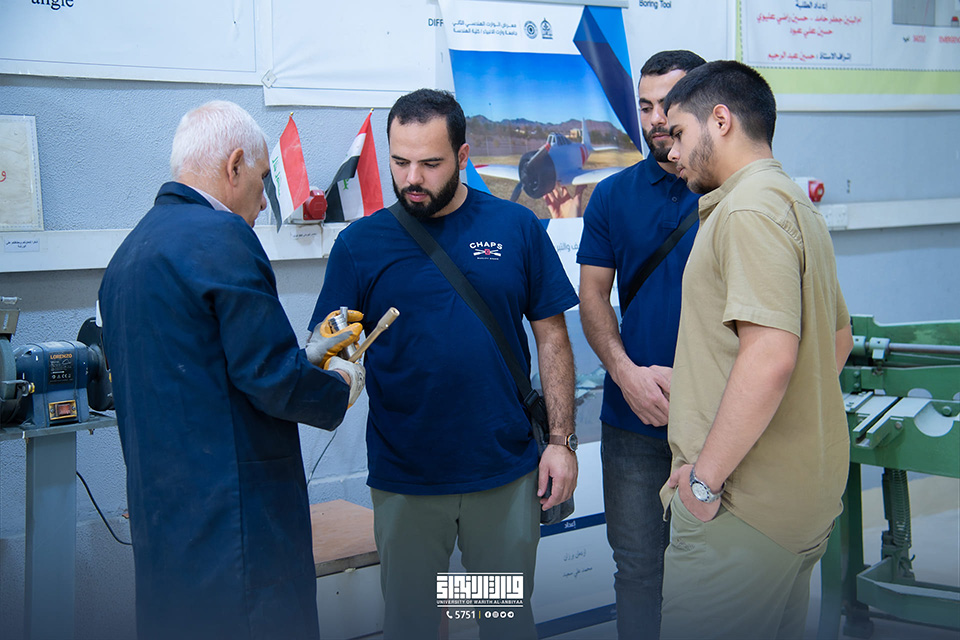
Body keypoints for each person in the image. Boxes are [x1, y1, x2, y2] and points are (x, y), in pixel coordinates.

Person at [310, 89, 579, 640]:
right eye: (399, 162)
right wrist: (329, 361)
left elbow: (552, 336)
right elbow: (327, 348)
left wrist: (561, 441)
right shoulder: (360, 245)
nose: (412, 178)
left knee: (499, 620)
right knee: (414, 622)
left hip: (501, 473)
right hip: (407, 478)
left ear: (462, 156)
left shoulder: (515, 227)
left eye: (430, 163)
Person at [99, 100, 365, 640]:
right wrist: (338, 381)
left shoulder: (127, 256)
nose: (264, 201)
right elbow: (271, 378)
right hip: (240, 539)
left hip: (167, 535)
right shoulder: (223, 238)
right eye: (263, 180)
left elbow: (208, 372)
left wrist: (305, 356)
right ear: (235, 165)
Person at [658, 61, 854, 639]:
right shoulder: (794, 204)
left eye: (679, 133)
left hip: (740, 513)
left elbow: (769, 358)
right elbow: (837, 340)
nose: (672, 152)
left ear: (720, 120)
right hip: (795, 507)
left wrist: (705, 482)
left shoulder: (746, 211)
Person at [577, 49, 705, 640]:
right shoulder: (612, 196)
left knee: (714, 571)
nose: (656, 119)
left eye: (668, 104)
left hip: (718, 419)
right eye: (645, 105)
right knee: (636, 570)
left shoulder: (734, 194)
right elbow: (593, 298)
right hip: (633, 421)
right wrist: (627, 375)